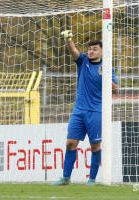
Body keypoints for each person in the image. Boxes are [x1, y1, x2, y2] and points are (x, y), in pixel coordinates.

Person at [50, 30, 119, 186]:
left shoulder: (107, 68)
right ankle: (66, 179)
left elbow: (116, 90)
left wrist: (106, 76)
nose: (91, 51)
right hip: (79, 111)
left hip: (96, 111)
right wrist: (68, 38)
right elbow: (73, 50)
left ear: (101, 52)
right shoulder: (83, 61)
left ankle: (92, 179)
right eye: (89, 49)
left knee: (95, 146)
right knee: (70, 144)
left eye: (94, 49)